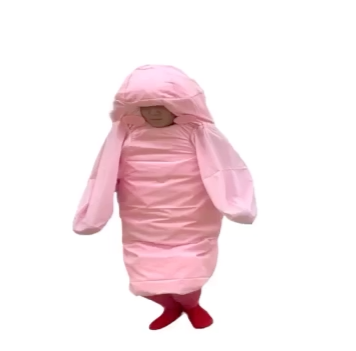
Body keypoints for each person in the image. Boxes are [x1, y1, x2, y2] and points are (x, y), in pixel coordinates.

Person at [72, 65, 257, 330]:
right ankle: (170, 307)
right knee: (146, 277)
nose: (153, 113)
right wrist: (93, 213)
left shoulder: (198, 132)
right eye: (145, 107)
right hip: (143, 219)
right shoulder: (126, 133)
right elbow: (103, 172)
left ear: (179, 105)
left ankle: (191, 305)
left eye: (161, 105)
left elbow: (224, 168)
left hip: (189, 217)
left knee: (188, 270)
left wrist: (237, 205)